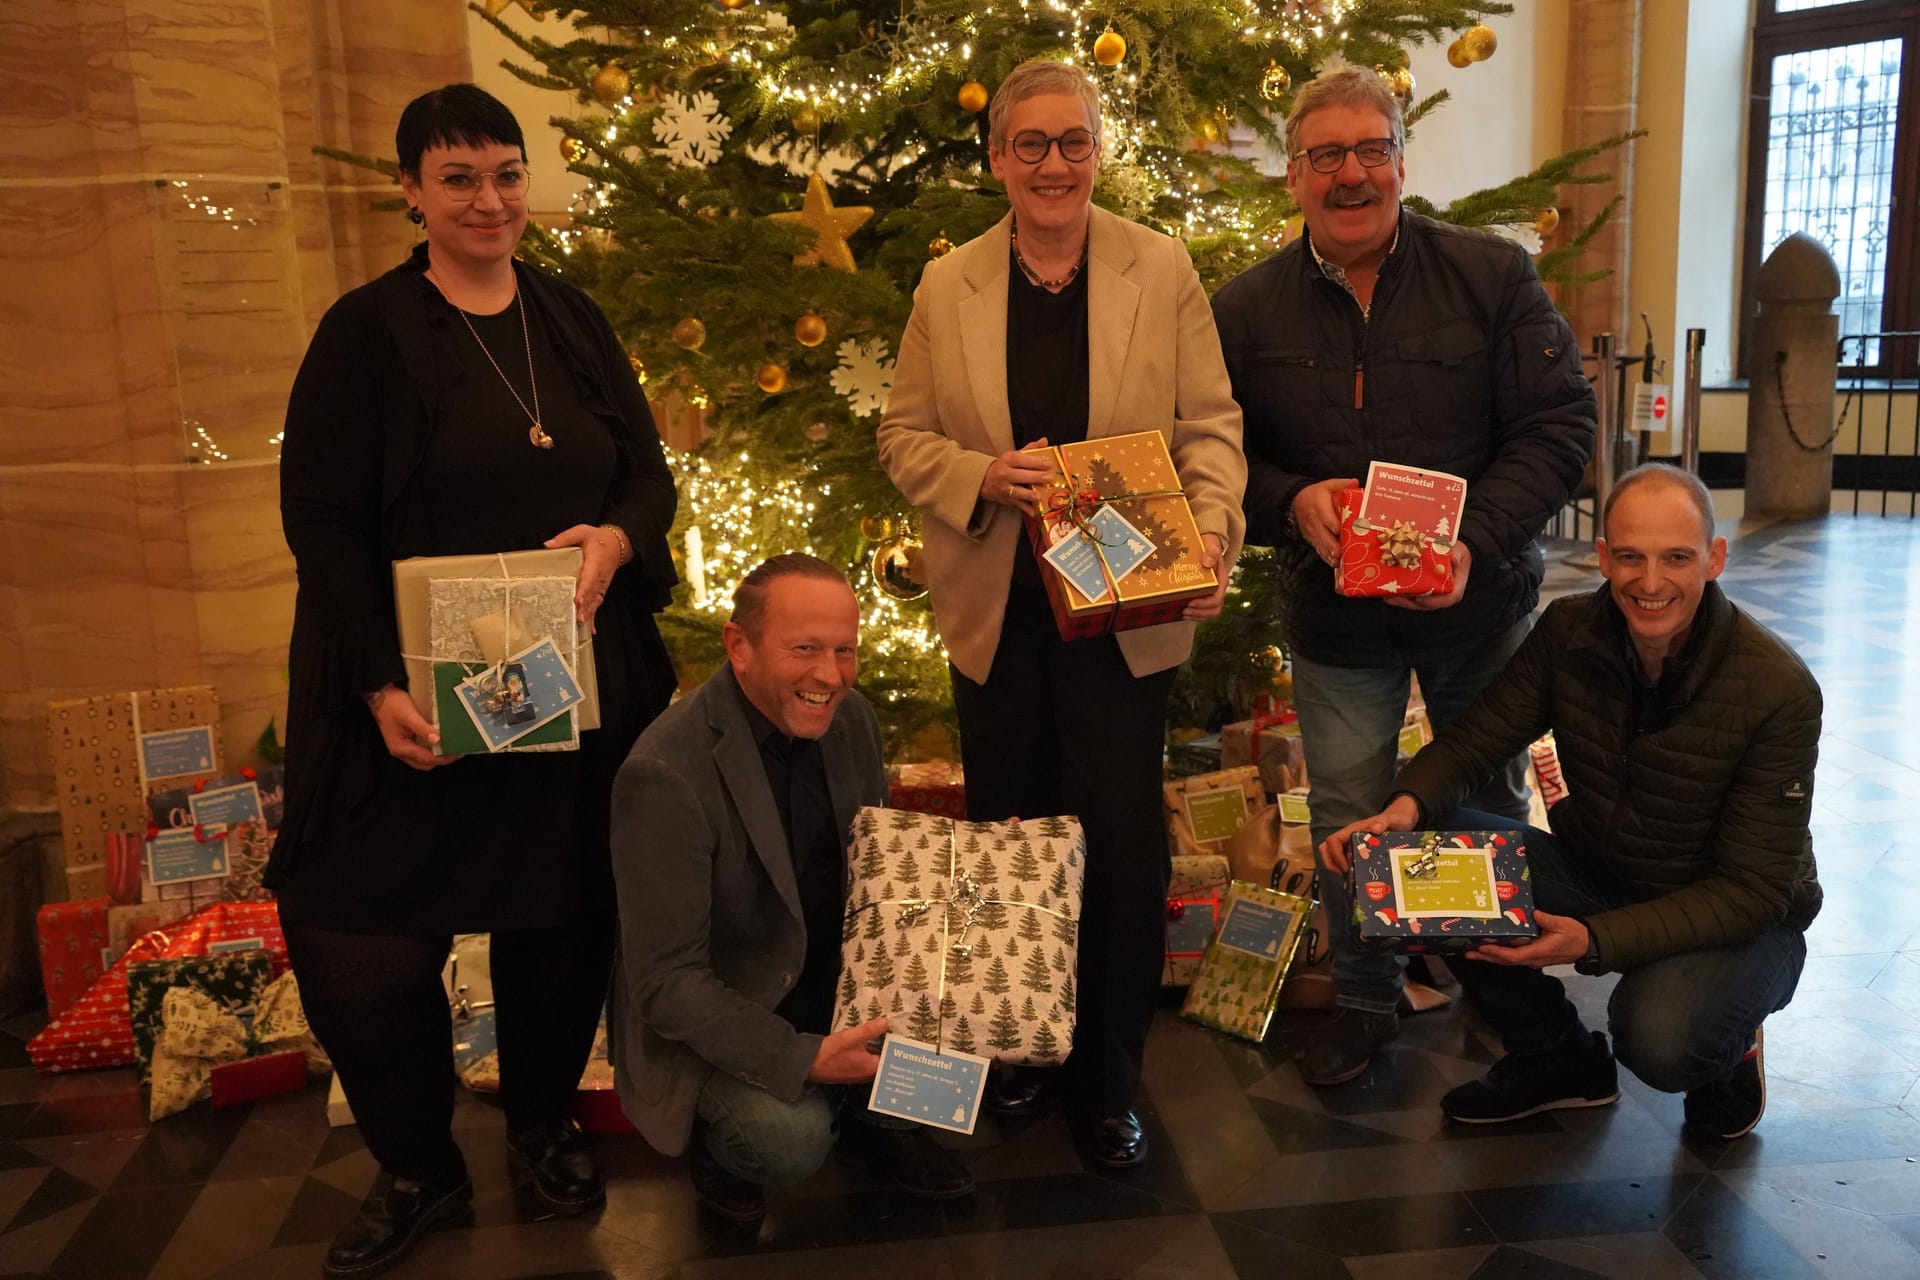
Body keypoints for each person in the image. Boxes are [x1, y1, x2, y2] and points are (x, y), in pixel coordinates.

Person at [268, 84, 679, 1278]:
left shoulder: (571, 319)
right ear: (412, 192)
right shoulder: (364, 332)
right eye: (459, 178)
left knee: (558, 915)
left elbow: (645, 477)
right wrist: (375, 688)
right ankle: (418, 1163)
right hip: (405, 689)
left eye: (506, 173)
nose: (490, 199)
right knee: (362, 935)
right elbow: (321, 524)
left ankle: (544, 1124)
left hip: (564, 679)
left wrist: (613, 540)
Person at [877, 59, 1246, 1168]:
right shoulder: (950, 284)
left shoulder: (1159, 265)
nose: (1052, 164)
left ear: (1098, 150)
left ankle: (1110, 1076)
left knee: (1122, 846)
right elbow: (902, 436)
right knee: (1014, 835)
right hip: (1000, 609)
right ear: (995, 158)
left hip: (1124, 615)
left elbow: (1211, 426)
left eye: (1072, 142)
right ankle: (1026, 1053)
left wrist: (1217, 529)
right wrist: (982, 475)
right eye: (1029, 144)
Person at [1210, 67, 1596, 1085]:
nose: (1350, 174)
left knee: (1485, 807)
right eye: (1325, 155)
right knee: (1344, 815)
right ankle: (1367, 1004)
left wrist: (1478, 537)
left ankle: (1509, 995)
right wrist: (1289, 501)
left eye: (1370, 150)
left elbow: (1560, 426)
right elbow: (1207, 456)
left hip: (1481, 611)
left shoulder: (1491, 276)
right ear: (1292, 177)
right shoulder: (1242, 310)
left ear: (1401, 162)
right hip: (1337, 627)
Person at [1320, 464, 1821, 1139]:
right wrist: (1401, 811)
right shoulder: (1569, 631)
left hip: (1735, 919)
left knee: (1660, 1038)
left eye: (1677, 557)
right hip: (1600, 870)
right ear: (1603, 556)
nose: (1650, 583)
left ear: (1716, 557)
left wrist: (1591, 940)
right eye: (1632, 557)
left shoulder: (1777, 689)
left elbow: (1753, 891)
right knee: (1410, 859)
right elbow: (1474, 743)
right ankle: (1557, 1057)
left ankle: (1731, 1045)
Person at [609, 555, 973, 1220]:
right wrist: (801, 1058)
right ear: (738, 646)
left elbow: (878, 872)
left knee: (984, 1020)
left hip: (832, 981)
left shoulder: (851, 718)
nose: (829, 676)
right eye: (804, 649)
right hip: (730, 1007)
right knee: (788, 1140)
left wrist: (983, 867)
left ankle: (871, 1116)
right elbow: (666, 982)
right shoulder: (663, 772)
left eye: (844, 651)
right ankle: (722, 1151)